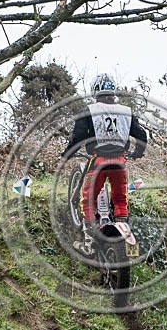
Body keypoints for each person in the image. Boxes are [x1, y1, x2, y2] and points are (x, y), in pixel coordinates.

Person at [63, 73, 147, 256]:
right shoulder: (126, 111)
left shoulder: (90, 110)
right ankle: (122, 224)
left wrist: (67, 154)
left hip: (99, 161)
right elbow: (141, 135)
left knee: (88, 197)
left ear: (95, 91)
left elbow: (77, 137)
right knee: (119, 197)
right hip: (120, 162)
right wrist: (137, 153)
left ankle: (89, 239)